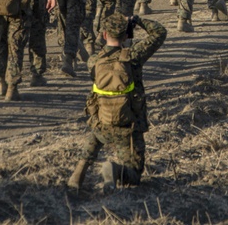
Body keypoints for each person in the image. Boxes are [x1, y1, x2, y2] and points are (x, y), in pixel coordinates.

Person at [67, 12, 167, 191]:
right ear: (127, 35)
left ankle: (79, 171)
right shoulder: (134, 56)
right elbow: (159, 32)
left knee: (96, 132)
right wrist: (136, 20)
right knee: (135, 175)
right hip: (129, 124)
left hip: (102, 122)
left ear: (104, 34)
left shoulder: (94, 61)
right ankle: (113, 170)